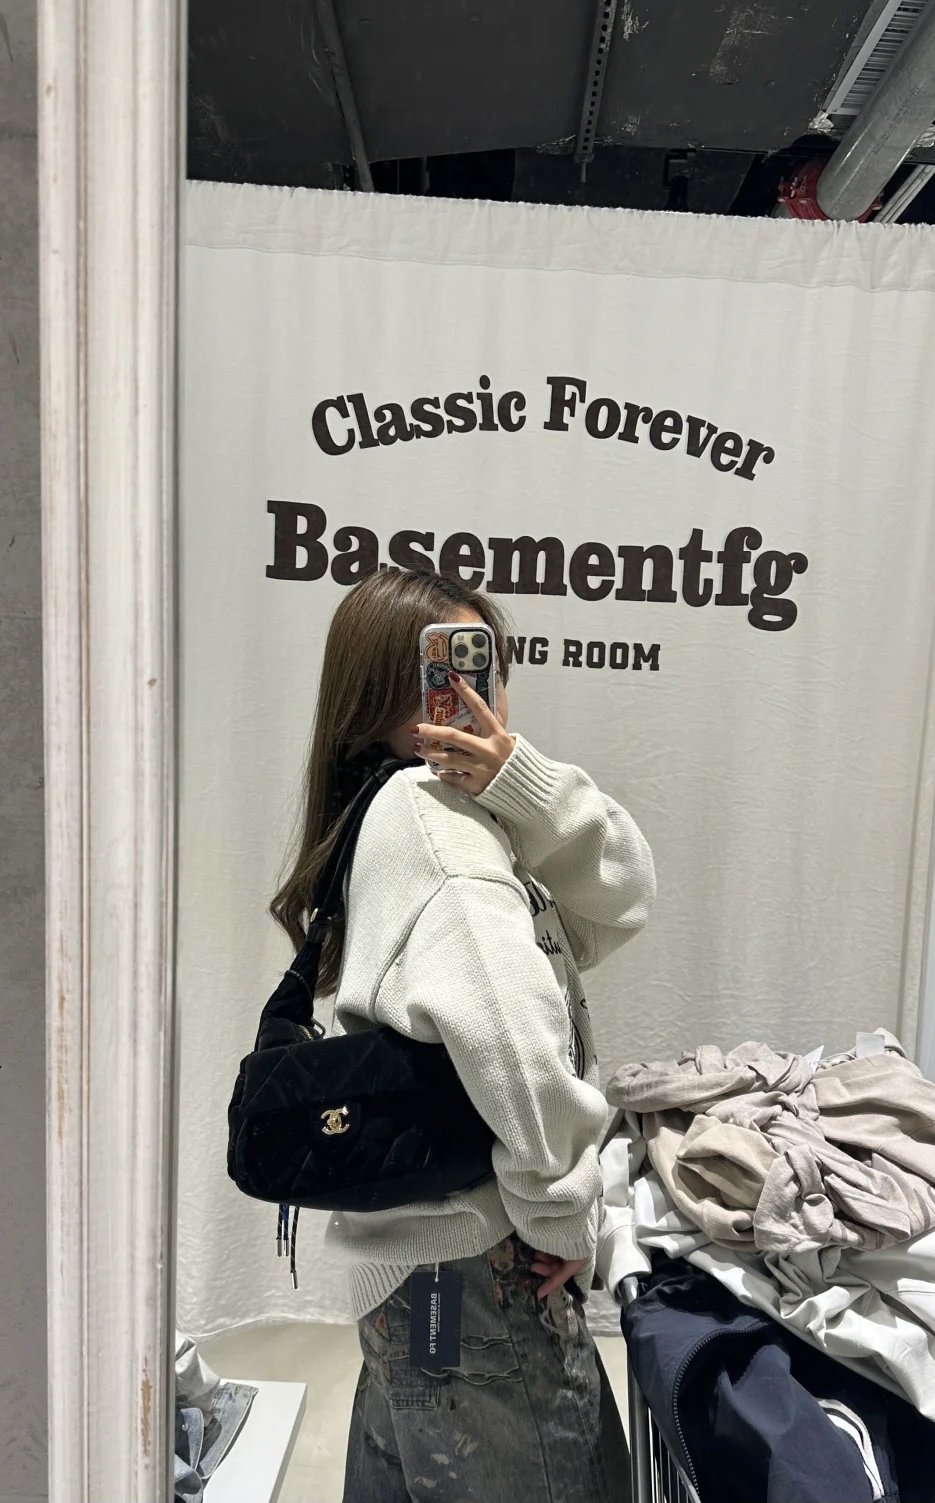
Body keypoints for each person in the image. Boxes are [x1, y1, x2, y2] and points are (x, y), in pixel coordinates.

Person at [272, 567, 656, 1503]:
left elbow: (620, 896)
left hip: (418, 1278)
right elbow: (513, 1041)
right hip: (482, 1273)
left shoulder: (416, 814)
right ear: (383, 698)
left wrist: (522, 782)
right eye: (442, 676)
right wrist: (565, 1213)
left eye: (486, 672)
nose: (476, 702)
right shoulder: (435, 822)